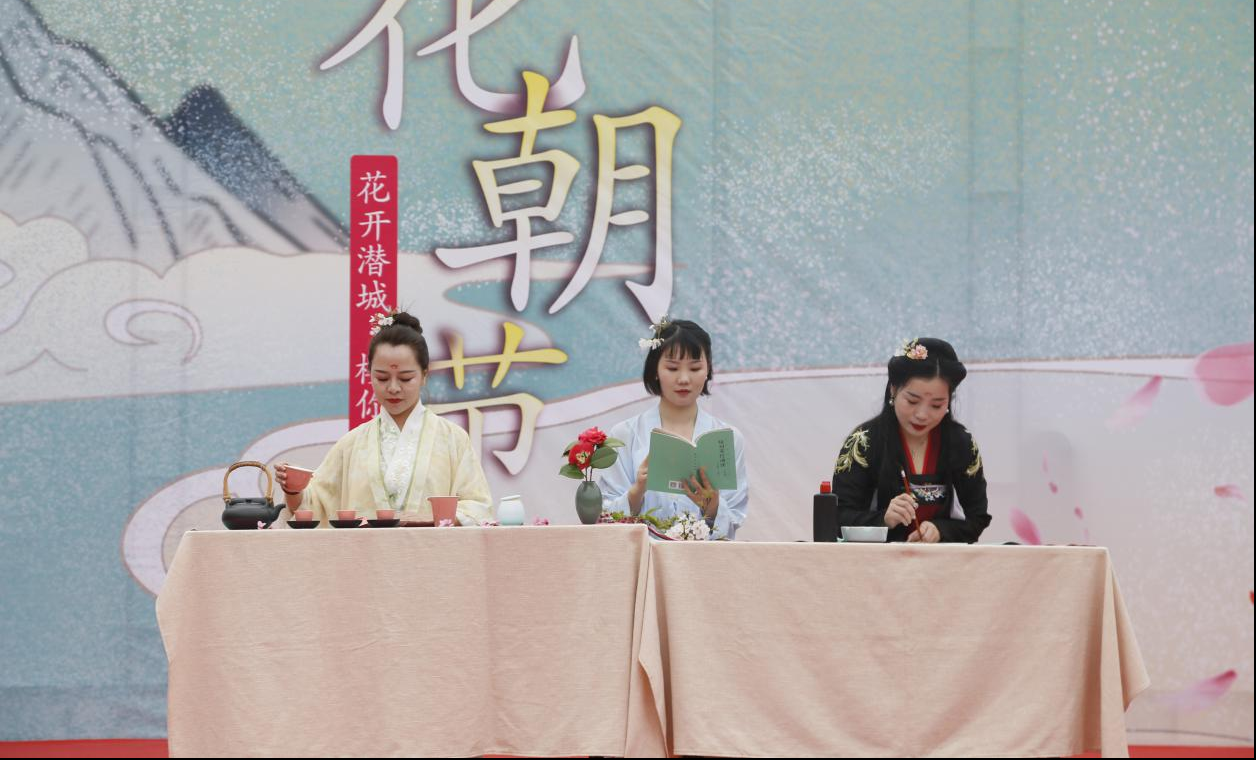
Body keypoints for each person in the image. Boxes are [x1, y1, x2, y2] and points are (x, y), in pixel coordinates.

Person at [275, 311, 493, 526]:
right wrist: (294, 490)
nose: (393, 388)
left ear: (425, 375)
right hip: (365, 550)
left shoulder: (453, 439)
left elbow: (477, 506)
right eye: (382, 378)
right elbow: (313, 506)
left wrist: (429, 520)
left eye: (405, 378)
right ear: (369, 374)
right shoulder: (351, 444)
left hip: (431, 550)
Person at [598, 318, 749, 539]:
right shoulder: (625, 435)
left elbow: (735, 516)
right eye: (672, 368)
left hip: (702, 558)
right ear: (655, 370)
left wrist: (713, 507)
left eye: (695, 368)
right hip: (643, 557)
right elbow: (605, 518)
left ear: (708, 370)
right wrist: (637, 491)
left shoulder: (728, 439)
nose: (684, 379)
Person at [831, 337, 990, 543]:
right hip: (877, 560)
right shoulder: (863, 442)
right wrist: (883, 519)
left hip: (941, 560)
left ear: (948, 401)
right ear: (893, 390)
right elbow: (837, 518)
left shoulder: (961, 443)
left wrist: (941, 530)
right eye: (912, 401)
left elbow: (977, 518)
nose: (922, 415)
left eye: (936, 405)